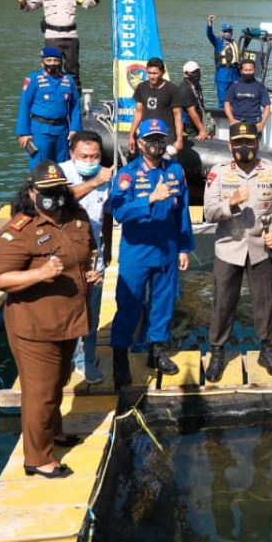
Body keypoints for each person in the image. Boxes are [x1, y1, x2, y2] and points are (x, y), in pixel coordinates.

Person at [0, 162, 100, 479]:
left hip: (70, 319)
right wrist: (39, 273)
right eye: (46, 192)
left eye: (58, 190)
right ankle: (37, 457)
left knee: (60, 381)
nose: (54, 197)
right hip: (34, 326)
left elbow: (86, 252)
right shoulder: (19, 231)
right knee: (41, 392)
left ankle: (55, 430)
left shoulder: (77, 218)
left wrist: (88, 272)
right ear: (32, 192)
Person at [203, 123, 272, 380]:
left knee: (264, 302)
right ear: (230, 145)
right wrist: (230, 203)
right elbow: (208, 213)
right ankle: (218, 351)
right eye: (239, 142)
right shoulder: (218, 174)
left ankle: (267, 350)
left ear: (257, 143)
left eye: (249, 142)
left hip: (260, 247)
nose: (244, 147)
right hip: (228, 248)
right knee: (223, 303)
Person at [109, 119, 194, 387]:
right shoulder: (128, 175)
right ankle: (120, 357)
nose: (157, 145)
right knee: (129, 304)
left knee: (164, 302)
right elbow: (119, 211)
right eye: (151, 139)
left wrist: (184, 247)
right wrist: (149, 199)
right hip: (138, 250)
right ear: (140, 142)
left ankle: (157, 352)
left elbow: (183, 212)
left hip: (167, 248)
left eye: (161, 139)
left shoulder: (176, 170)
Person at [59, 131, 114, 383]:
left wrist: (109, 247)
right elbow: (59, 202)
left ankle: (87, 359)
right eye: (84, 156)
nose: (90, 161)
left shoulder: (106, 177)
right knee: (63, 311)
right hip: (62, 256)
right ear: (72, 154)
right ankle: (64, 359)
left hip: (93, 255)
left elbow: (108, 213)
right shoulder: (58, 173)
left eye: (95, 157)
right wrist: (93, 183)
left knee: (91, 311)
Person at [17, 0, 100, 85]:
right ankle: (52, 98)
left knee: (73, 70)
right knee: (51, 69)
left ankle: (73, 98)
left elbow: (88, 4)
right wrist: (23, 2)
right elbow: (29, 7)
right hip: (52, 37)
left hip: (71, 38)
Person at [16, 46, 81, 170]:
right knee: (40, 166)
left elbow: (75, 106)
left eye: (56, 60)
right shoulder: (34, 79)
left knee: (64, 166)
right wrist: (24, 133)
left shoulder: (68, 80)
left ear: (60, 62)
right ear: (42, 62)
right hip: (41, 129)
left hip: (62, 130)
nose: (52, 63)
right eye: (49, 60)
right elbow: (25, 106)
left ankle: (62, 189)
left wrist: (75, 129)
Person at [128, 57, 183, 157]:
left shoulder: (172, 90)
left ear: (163, 72)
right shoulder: (141, 87)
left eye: (155, 73)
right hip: (146, 138)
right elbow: (138, 112)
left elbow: (178, 116)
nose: (152, 76)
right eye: (149, 73)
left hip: (166, 139)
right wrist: (131, 135)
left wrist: (179, 139)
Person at [224, 58, 272, 133]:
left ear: (254, 70)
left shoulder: (260, 86)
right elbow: (227, 103)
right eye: (245, 70)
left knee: (253, 144)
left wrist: (262, 123)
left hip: (254, 123)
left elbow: (267, 106)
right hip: (237, 122)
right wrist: (231, 119)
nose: (248, 72)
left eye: (250, 70)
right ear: (241, 71)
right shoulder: (234, 85)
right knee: (235, 144)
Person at [205, 14, 241, 106]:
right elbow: (209, 34)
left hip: (235, 74)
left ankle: (235, 117)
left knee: (236, 99)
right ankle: (221, 117)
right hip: (222, 74)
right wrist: (210, 23)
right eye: (225, 31)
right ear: (221, 32)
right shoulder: (217, 42)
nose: (227, 33)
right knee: (223, 100)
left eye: (229, 31)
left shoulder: (234, 43)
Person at [177, 60, 211, 139]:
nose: (197, 74)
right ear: (185, 74)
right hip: (189, 124)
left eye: (198, 71)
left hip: (199, 119)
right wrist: (202, 130)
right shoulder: (184, 89)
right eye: (194, 72)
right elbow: (191, 112)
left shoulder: (196, 85)